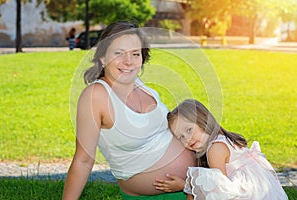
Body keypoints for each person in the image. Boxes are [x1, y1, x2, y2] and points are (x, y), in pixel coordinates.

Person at [62, 21, 196, 200]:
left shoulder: (140, 86)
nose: (128, 61)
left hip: (191, 185)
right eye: (119, 53)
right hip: (166, 193)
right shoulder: (96, 96)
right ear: (102, 57)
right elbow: (83, 160)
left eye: (135, 54)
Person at [154, 99, 288, 200]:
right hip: (259, 188)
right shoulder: (221, 139)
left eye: (189, 130)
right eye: (181, 137)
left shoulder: (215, 149)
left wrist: (185, 185)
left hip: (250, 193)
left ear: (204, 120)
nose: (187, 139)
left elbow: (219, 190)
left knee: (197, 183)